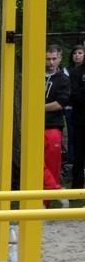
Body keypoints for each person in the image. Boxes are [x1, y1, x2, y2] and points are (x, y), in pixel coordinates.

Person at [40, 45, 70, 206]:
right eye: (48, 58)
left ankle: (46, 202)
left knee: (52, 164)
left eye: (54, 58)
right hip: (34, 126)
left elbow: (61, 103)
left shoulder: (63, 79)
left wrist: (38, 107)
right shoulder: (36, 76)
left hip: (53, 126)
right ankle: (55, 189)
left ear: (60, 58)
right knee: (37, 162)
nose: (50, 62)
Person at [70, 45, 85, 189]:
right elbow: (74, 95)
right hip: (80, 119)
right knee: (79, 153)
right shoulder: (75, 72)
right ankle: (77, 185)